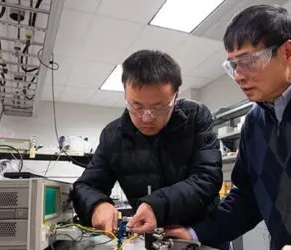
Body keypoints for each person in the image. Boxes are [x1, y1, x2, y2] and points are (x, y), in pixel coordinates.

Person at [164, 4, 291, 250]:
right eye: (233, 66)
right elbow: (247, 200)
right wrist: (195, 234)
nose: (239, 75)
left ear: (287, 52)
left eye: (248, 61)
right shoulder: (254, 124)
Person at [71, 49, 223, 236]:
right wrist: (97, 205)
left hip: (200, 233)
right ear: (126, 96)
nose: (146, 118)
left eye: (158, 108)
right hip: (149, 239)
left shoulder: (196, 117)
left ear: (175, 97)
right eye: (136, 106)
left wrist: (156, 206)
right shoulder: (113, 135)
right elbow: (86, 186)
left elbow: (207, 178)